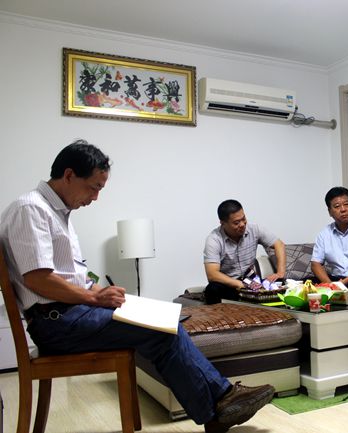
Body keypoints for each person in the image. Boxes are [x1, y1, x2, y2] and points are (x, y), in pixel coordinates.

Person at [0, 141, 275, 433]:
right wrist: (94, 298)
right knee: (161, 329)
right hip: (58, 322)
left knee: (165, 320)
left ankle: (219, 405)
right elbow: (38, 279)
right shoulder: (31, 209)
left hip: (68, 315)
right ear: (69, 175)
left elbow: (62, 275)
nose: (95, 197)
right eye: (93, 188)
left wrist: (96, 291)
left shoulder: (54, 212)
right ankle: (220, 403)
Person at [203, 199, 286, 304]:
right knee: (212, 289)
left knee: (282, 285)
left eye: (244, 219)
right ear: (223, 223)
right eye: (236, 222)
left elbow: (279, 244)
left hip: (251, 280)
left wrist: (280, 273)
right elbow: (212, 274)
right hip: (229, 284)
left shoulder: (254, 229)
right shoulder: (214, 240)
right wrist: (240, 284)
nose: (242, 224)